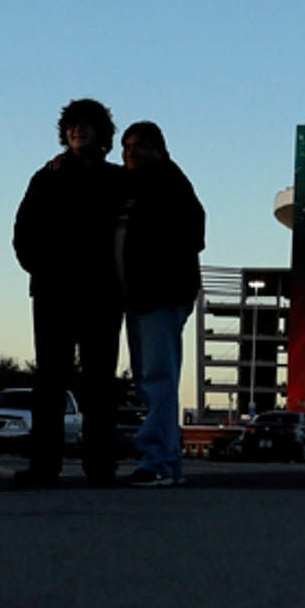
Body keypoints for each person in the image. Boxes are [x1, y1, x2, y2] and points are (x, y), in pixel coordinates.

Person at [12, 98, 126, 487]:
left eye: (86, 125)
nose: (77, 130)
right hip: (54, 293)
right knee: (49, 381)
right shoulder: (47, 178)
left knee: (100, 382)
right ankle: (44, 464)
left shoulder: (118, 181)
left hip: (103, 294)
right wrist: (41, 269)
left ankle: (100, 465)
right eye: (72, 125)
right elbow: (23, 231)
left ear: (101, 134)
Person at [117, 121, 205, 489]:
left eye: (138, 145)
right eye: (126, 147)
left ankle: (160, 461)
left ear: (158, 148)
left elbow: (194, 229)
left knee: (157, 379)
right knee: (151, 379)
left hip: (159, 295)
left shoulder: (166, 182)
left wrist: (155, 270)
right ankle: (167, 462)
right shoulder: (137, 184)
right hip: (142, 295)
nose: (131, 153)